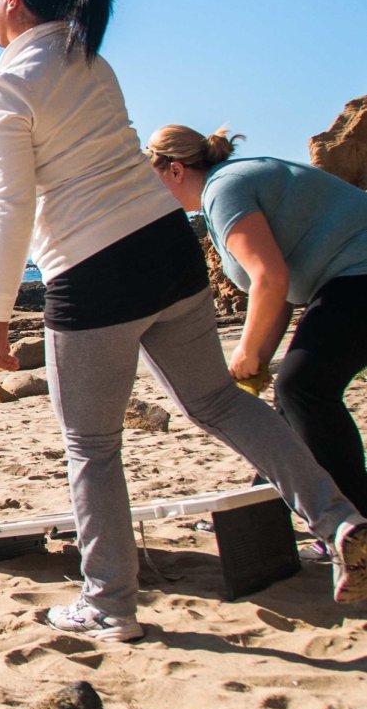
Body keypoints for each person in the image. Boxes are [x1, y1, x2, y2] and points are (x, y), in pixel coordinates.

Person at [0, 0, 366, 640]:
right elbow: (79, 148)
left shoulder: (1, 82)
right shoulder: (88, 56)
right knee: (216, 403)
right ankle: (340, 521)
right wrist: (4, 162)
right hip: (167, 252)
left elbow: (14, 207)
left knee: (90, 445)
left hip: (93, 274)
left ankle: (109, 604)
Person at [147, 126, 367, 527]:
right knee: (290, 406)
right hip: (344, 282)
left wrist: (247, 349)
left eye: (152, 179)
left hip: (359, 274)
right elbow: (279, 294)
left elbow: (270, 278)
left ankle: (356, 523)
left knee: (303, 388)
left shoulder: (224, 190)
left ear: (175, 170)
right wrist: (258, 357)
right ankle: (258, 514)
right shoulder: (223, 192)